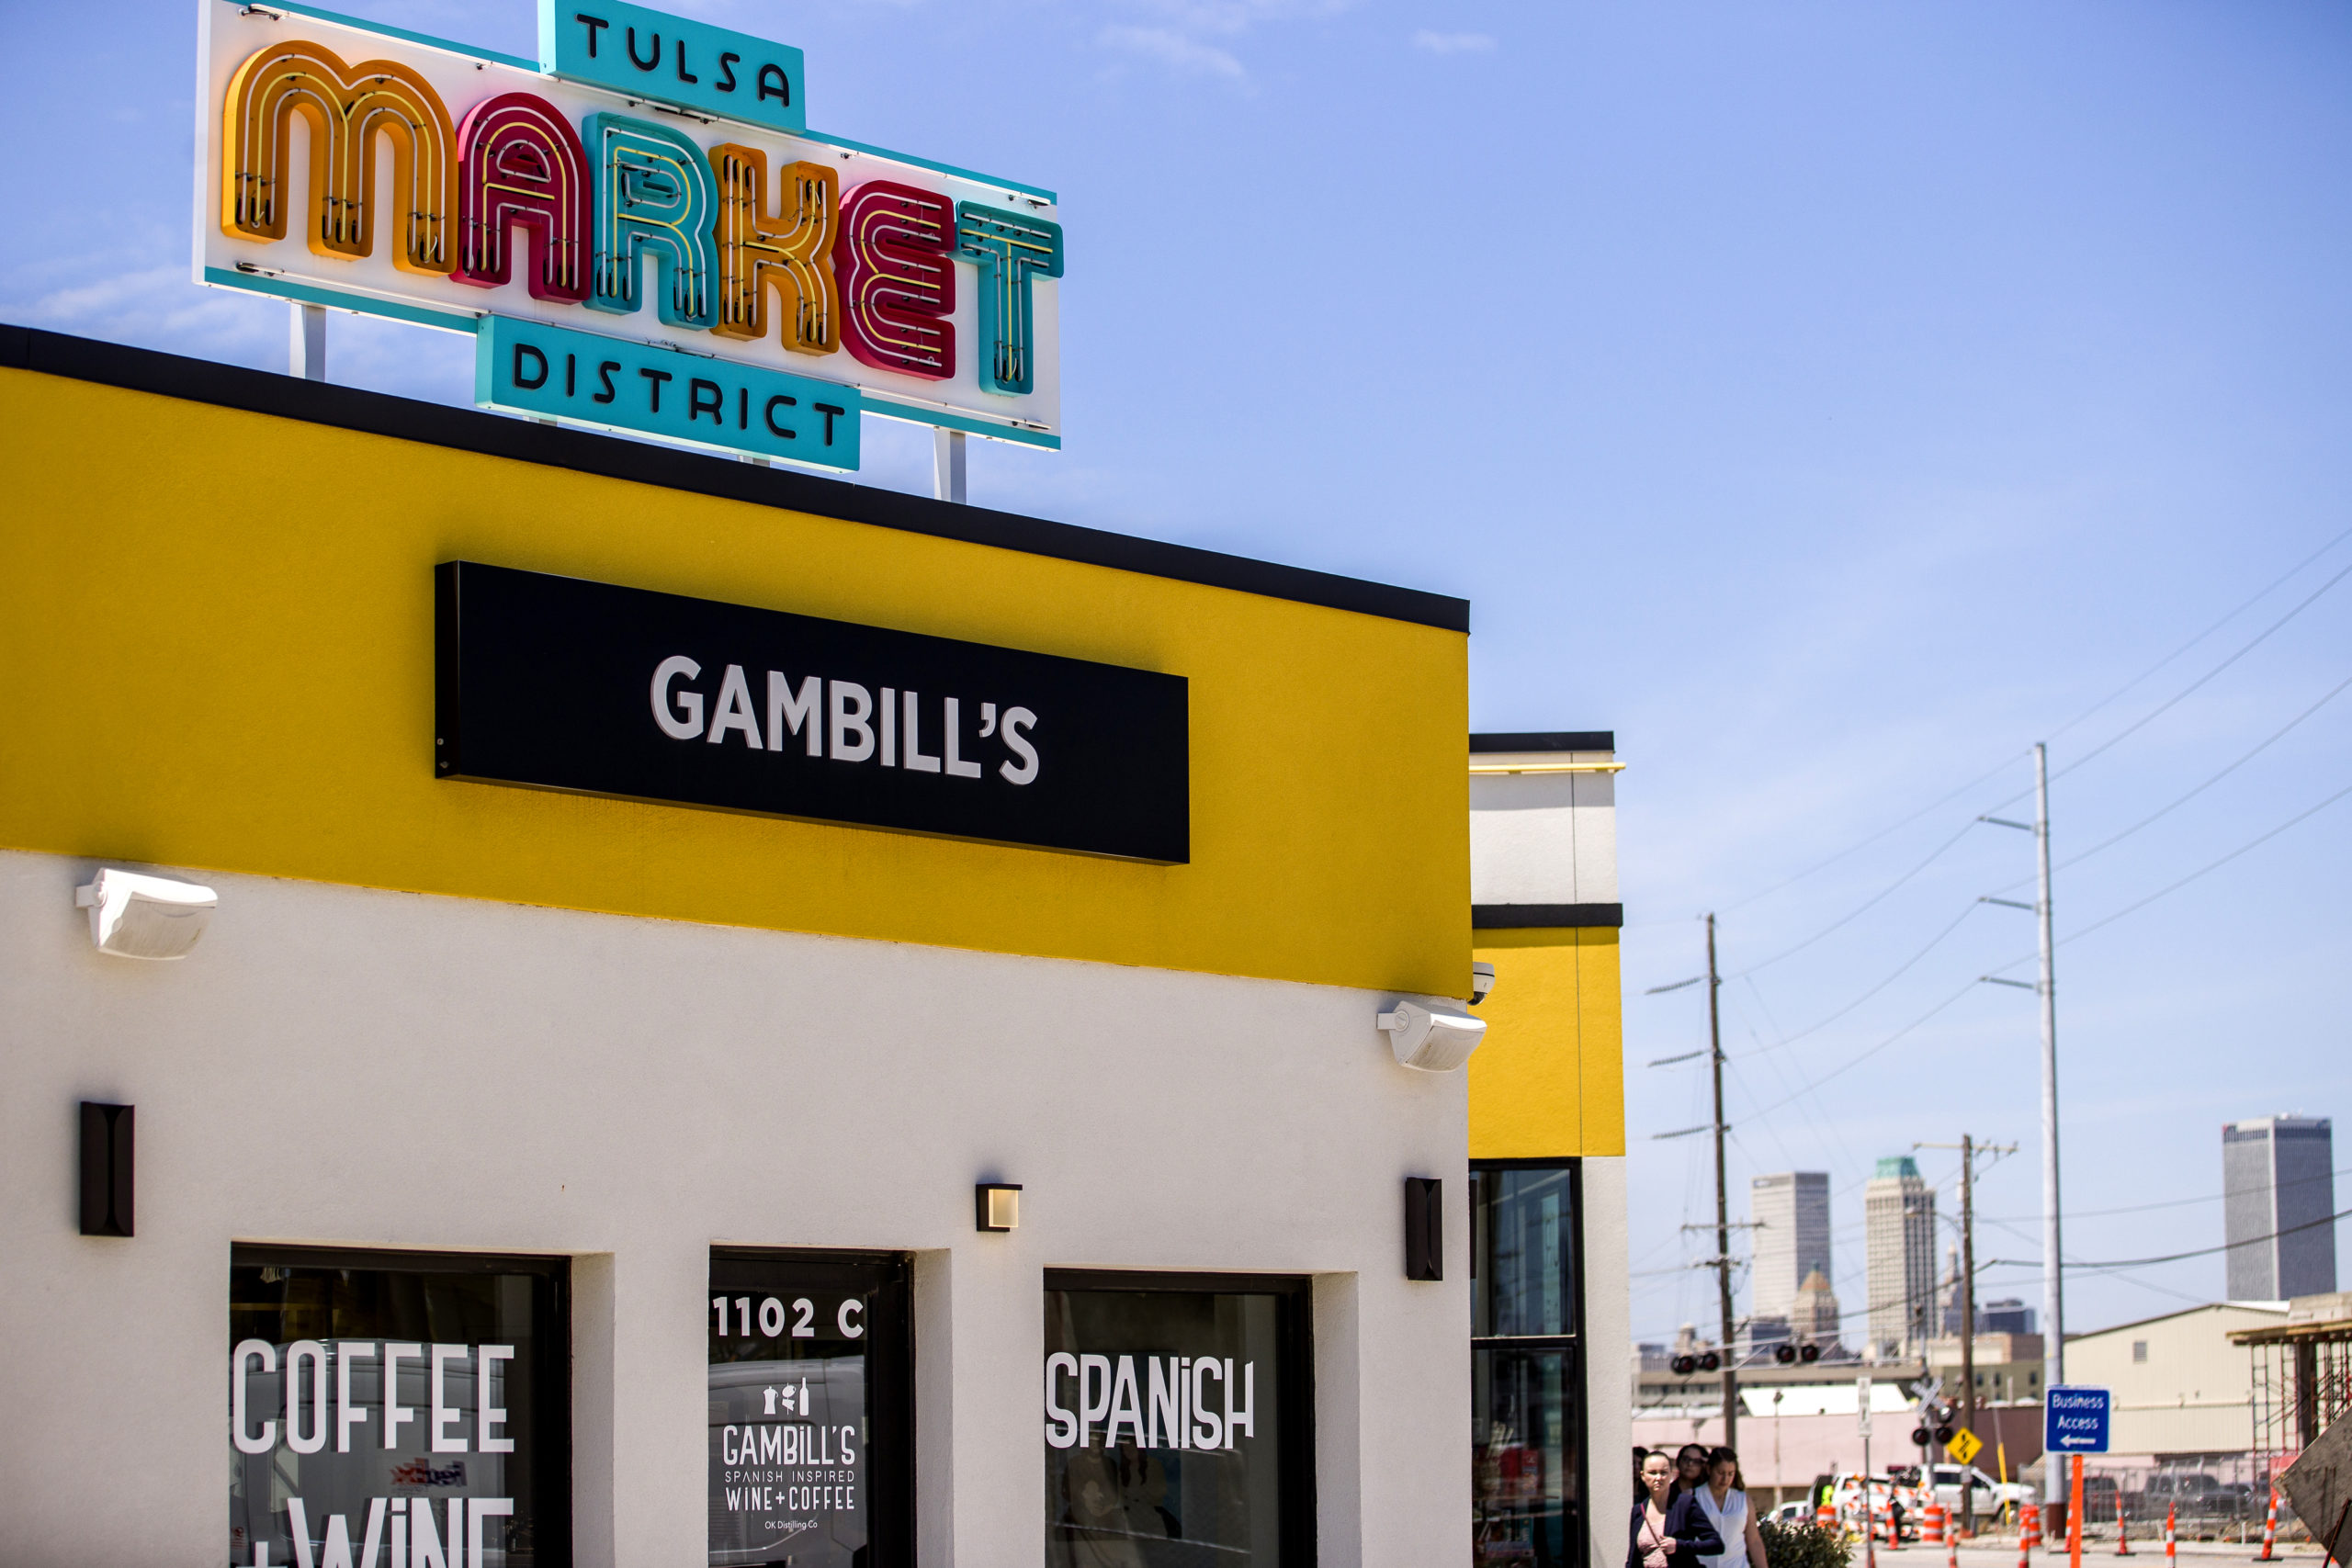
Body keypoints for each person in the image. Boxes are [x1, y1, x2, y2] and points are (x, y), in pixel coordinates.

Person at [1631, 1448, 1725, 1568]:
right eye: (1653, 1472)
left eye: (1663, 1472)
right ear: (1643, 1476)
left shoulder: (1684, 1504)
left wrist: (1679, 1545)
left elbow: (1716, 1544)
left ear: (1671, 1474)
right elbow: (1633, 1560)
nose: (1658, 1477)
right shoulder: (1638, 1511)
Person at [1694, 1447, 1770, 1568]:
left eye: (1730, 1474)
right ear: (1709, 1470)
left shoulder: (1743, 1500)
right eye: (1720, 1473)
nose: (1725, 1479)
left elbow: (1754, 1540)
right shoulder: (1693, 1496)